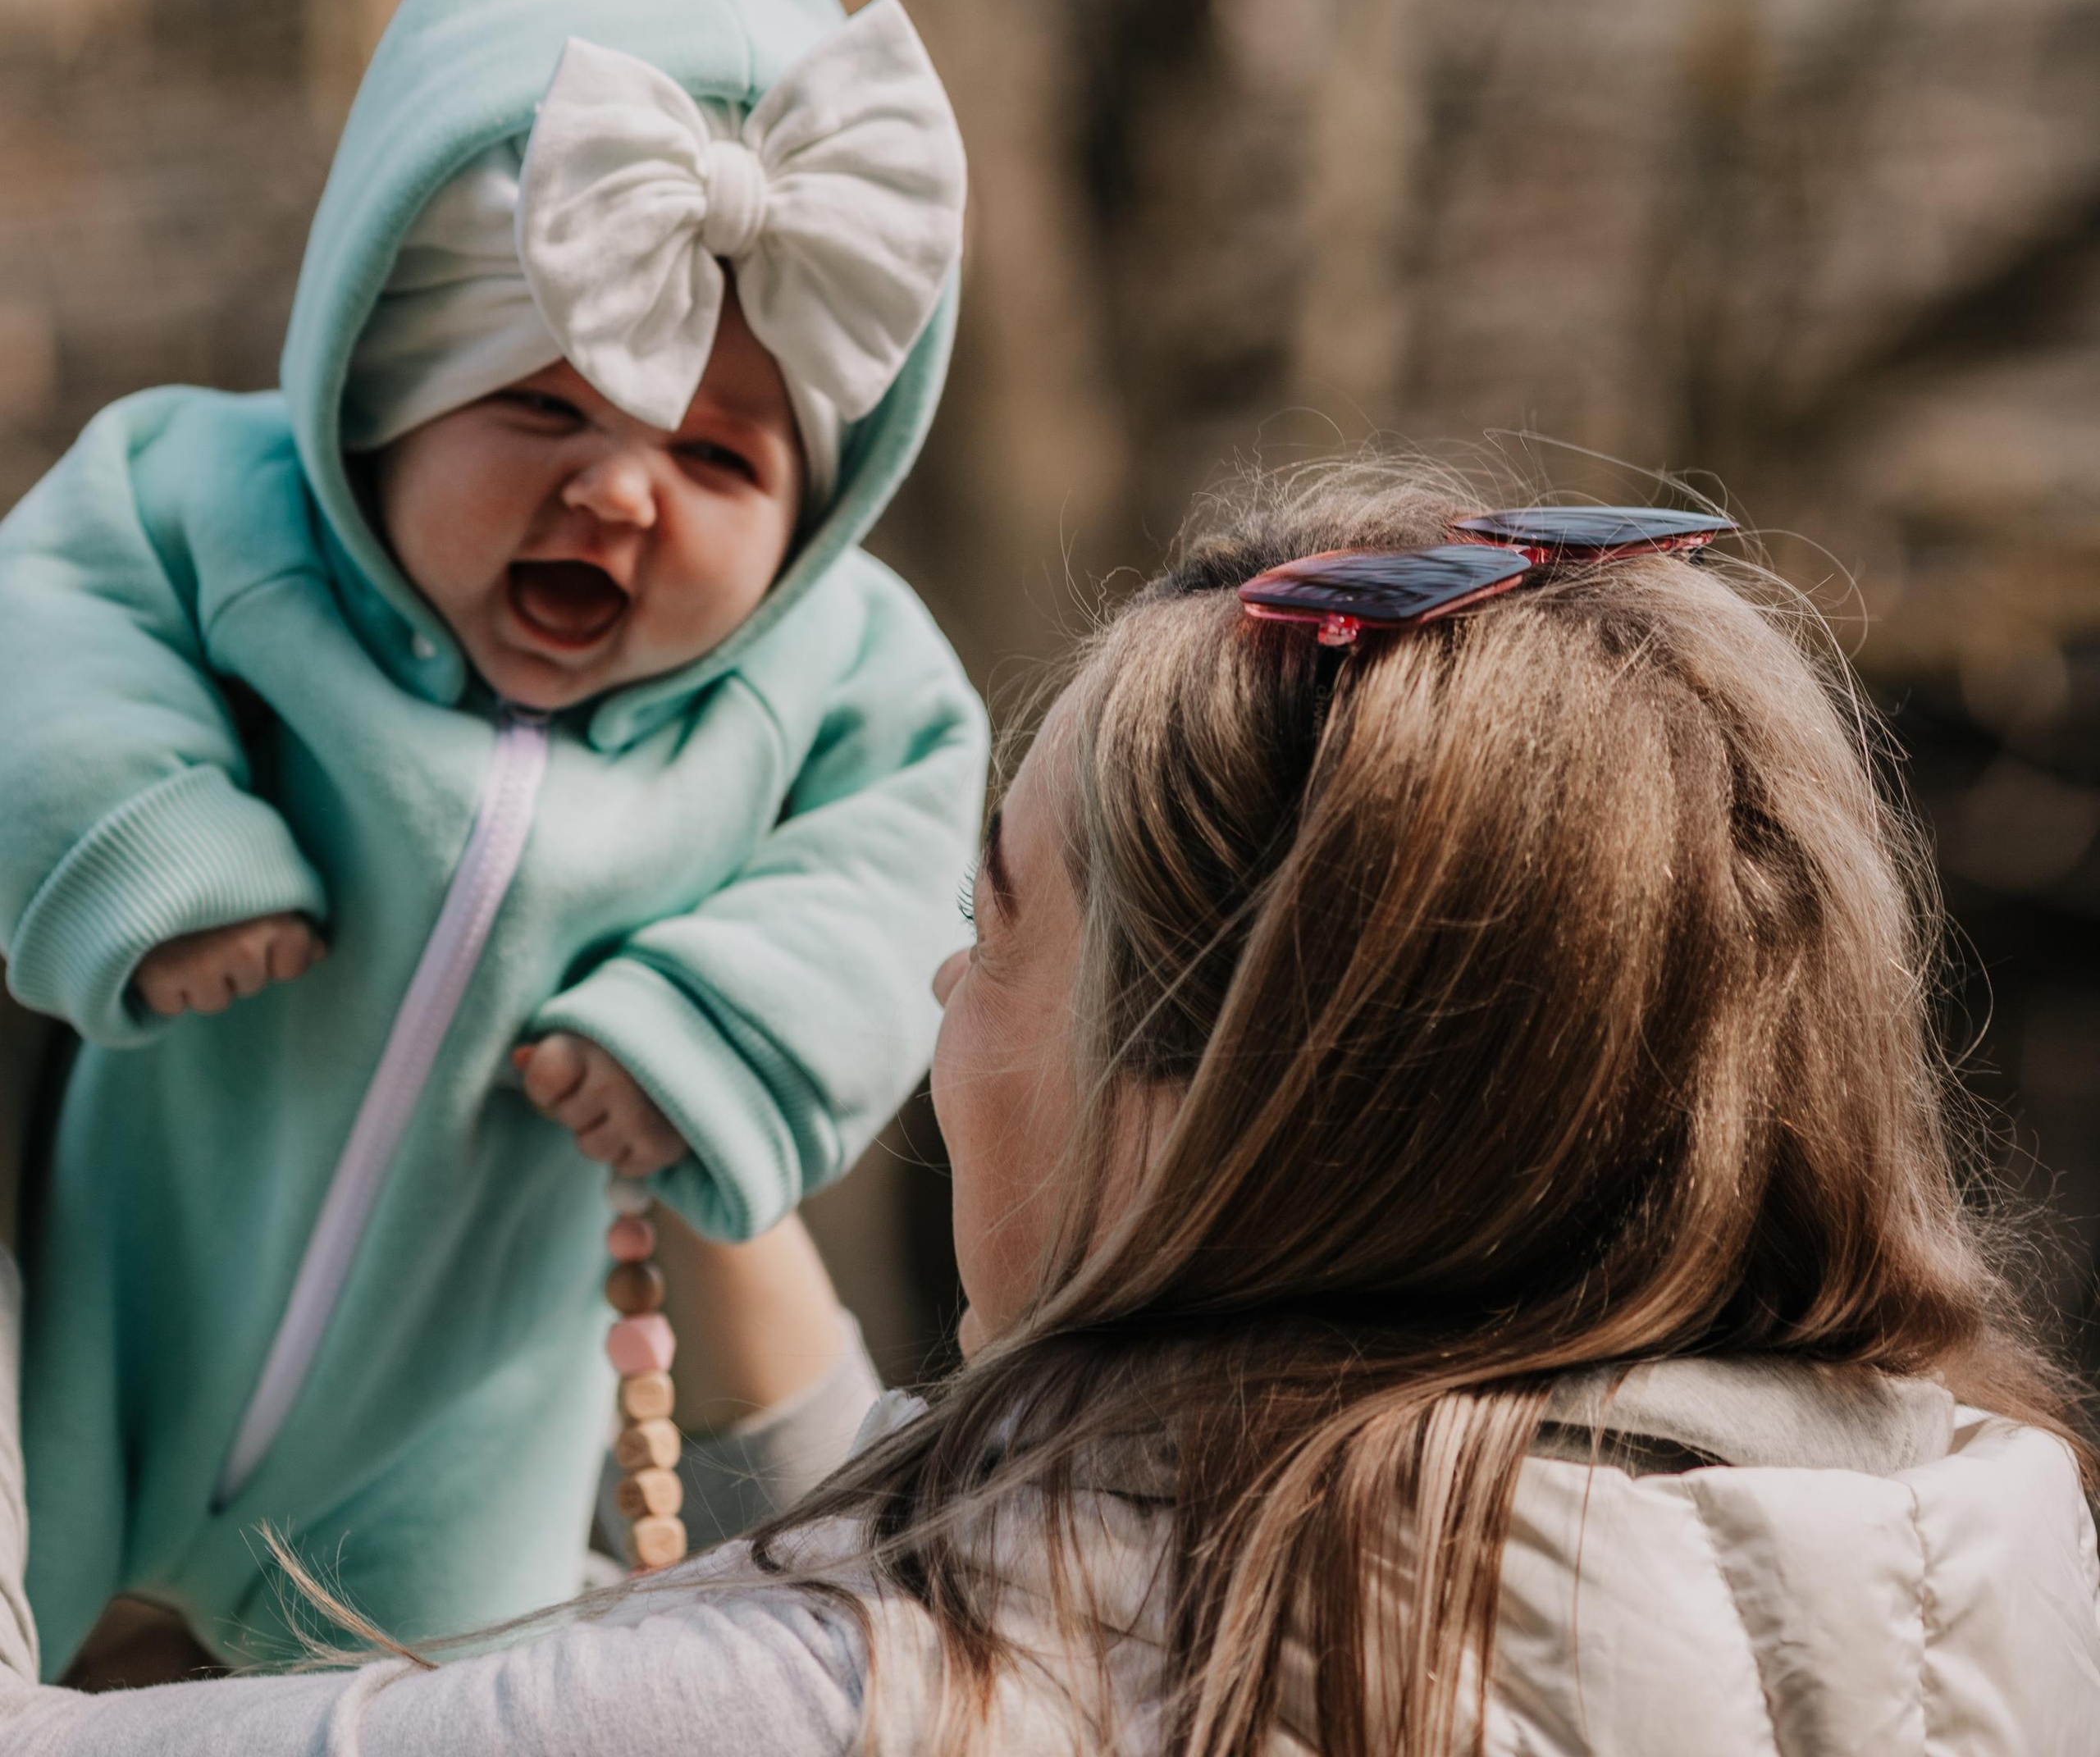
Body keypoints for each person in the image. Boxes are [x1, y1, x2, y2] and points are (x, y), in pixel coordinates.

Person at [2, 455, 2098, 1750]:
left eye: (991, 929)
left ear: (1212, 1098)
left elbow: (907, 1666)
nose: (935, 996)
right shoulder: (1975, 1550)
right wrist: (682, 1120)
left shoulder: (931, 1697)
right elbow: (1000, 1559)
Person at [0, 0, 988, 1674]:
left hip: (472, 1401)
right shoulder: (203, 493)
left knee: (455, 1692)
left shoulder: (844, 673)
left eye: (721, 464)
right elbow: (49, 626)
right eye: (542, 405)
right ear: (370, 395)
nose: (619, 486)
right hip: (112, 1290)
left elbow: (897, 881)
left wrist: (716, 1035)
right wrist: (153, 838)